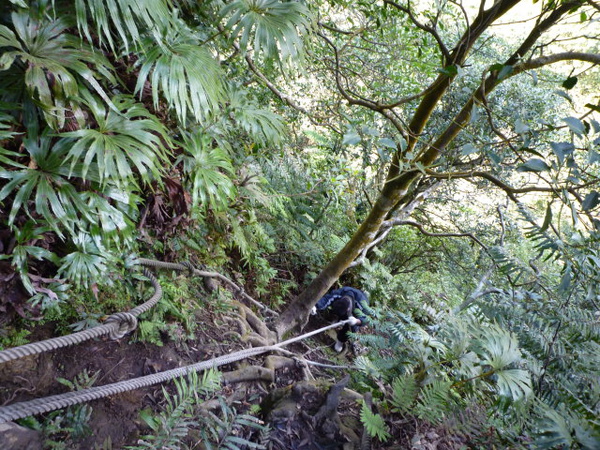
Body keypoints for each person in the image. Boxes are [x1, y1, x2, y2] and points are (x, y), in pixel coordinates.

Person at [311, 287, 370, 352]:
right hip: (343, 308)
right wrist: (315, 306)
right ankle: (335, 319)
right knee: (336, 311)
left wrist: (356, 321)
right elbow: (327, 299)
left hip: (355, 314)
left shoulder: (362, 304)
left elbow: (366, 319)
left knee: (352, 328)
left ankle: (340, 342)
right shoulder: (339, 293)